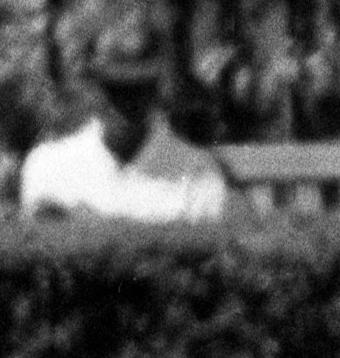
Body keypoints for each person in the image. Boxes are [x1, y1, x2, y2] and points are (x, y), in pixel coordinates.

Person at [20, 27, 231, 224]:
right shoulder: (48, 166)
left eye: (138, 89)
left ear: (156, 91)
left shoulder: (198, 176)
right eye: (114, 90)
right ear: (93, 89)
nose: (125, 104)